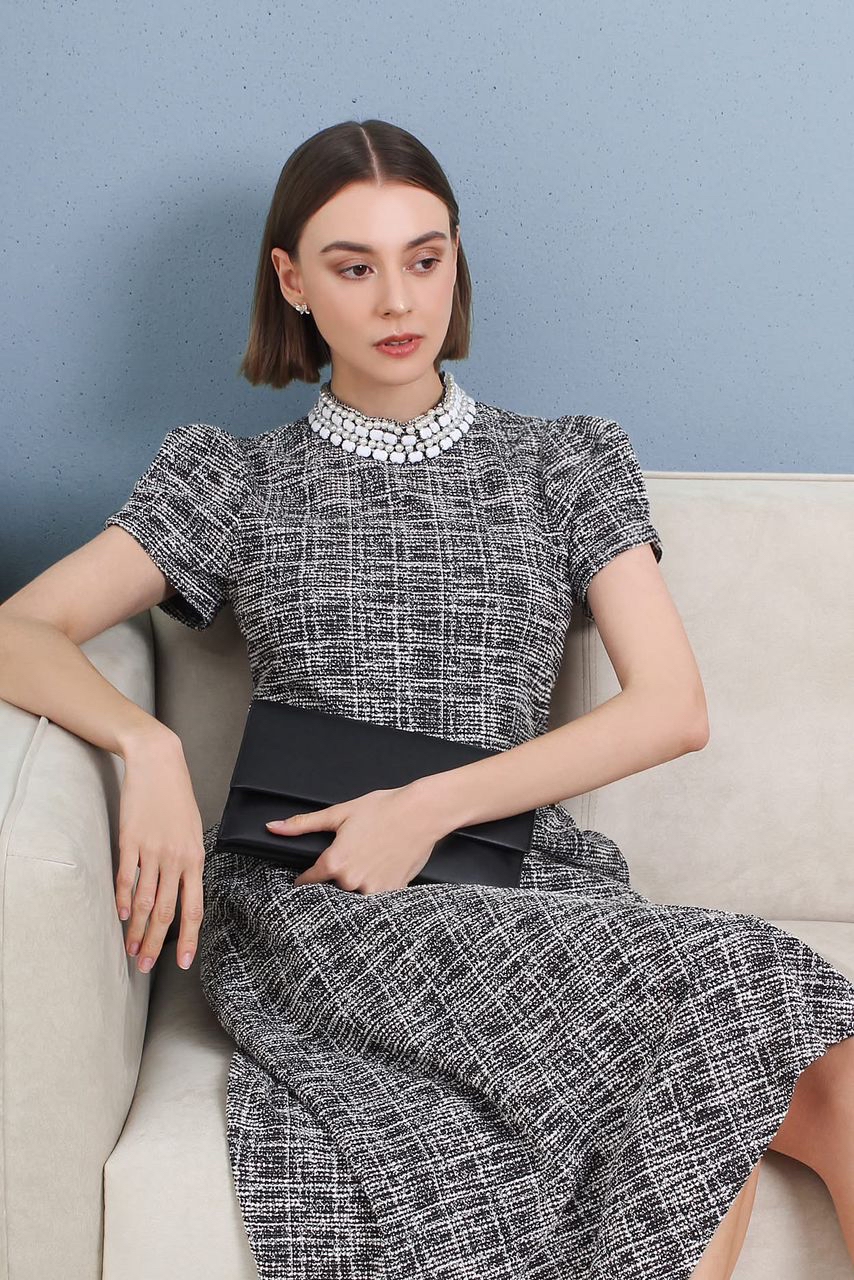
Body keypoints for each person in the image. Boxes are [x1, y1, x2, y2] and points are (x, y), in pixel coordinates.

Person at [1, 118, 852, 1280]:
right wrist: (144, 746)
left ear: (455, 261)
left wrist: (426, 806)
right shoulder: (233, 477)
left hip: (526, 876)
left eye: (424, 257)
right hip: (324, 892)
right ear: (292, 282)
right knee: (737, 989)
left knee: (821, 1067)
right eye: (353, 266)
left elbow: (669, 707)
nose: (398, 299)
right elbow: (19, 628)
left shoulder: (563, 459)